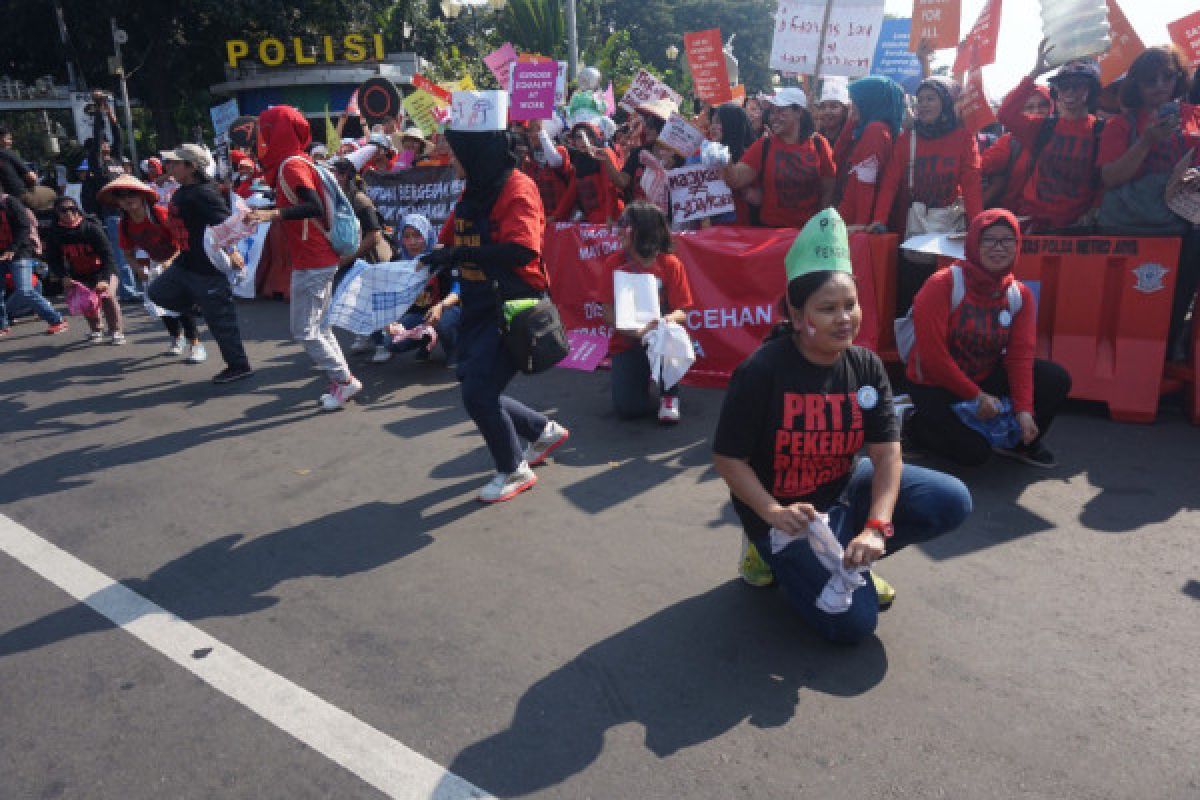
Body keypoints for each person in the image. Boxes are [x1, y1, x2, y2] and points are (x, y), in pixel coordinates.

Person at [712, 208, 971, 644]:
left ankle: (854, 560)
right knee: (854, 626)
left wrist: (876, 527)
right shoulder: (762, 371)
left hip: (844, 491)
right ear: (798, 316)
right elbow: (728, 458)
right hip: (787, 515)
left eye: (850, 305)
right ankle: (765, 552)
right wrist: (771, 513)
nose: (844, 318)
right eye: (827, 309)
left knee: (951, 499)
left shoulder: (866, 366)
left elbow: (886, 452)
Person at [424, 126, 569, 504]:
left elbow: (522, 251)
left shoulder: (517, 188)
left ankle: (513, 467)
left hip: (511, 304)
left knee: (478, 393)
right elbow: (450, 236)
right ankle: (542, 430)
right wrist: (429, 260)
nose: (451, 159)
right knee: (475, 385)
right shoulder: (475, 189)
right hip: (476, 303)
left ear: (476, 155)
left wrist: (457, 255)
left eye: (456, 153)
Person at [904, 209, 1072, 467]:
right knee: (975, 453)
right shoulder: (942, 284)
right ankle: (914, 428)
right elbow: (932, 358)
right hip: (934, 385)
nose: (998, 248)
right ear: (972, 243)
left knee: (1055, 378)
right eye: (989, 240)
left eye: (1007, 240)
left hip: (982, 377)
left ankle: (1021, 443)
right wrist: (976, 396)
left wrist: (1024, 411)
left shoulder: (1019, 295)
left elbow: (1020, 357)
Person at [248, 105, 362, 410]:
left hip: (313, 259)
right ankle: (342, 380)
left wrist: (272, 213)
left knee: (305, 330)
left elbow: (313, 207)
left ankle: (344, 380)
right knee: (320, 327)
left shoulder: (291, 166)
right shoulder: (298, 162)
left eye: (266, 130)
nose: (261, 137)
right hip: (315, 257)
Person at [1097, 45, 1200, 358]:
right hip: (1133, 224)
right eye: (1149, 79)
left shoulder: (1194, 118)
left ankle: (1173, 341)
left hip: (1181, 225)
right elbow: (1110, 178)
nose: (1160, 85)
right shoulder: (1121, 125)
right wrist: (1146, 141)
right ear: (1137, 86)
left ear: (1179, 79)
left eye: (1167, 77)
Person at [870, 76, 983, 314]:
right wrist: (879, 220)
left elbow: (971, 186)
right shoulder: (906, 140)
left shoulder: (964, 139)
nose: (923, 105)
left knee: (945, 293)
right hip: (916, 228)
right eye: (919, 100)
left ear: (946, 103)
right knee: (912, 292)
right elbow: (890, 183)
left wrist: (978, 227)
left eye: (930, 99)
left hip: (949, 229)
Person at [148, 144, 253, 384]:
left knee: (221, 323)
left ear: (191, 166)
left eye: (175, 163)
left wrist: (232, 251)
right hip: (185, 262)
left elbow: (227, 225)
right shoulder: (182, 190)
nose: (169, 167)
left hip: (208, 268)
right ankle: (198, 304)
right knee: (157, 292)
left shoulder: (205, 193)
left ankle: (239, 366)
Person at [600, 202, 694, 423]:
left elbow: (683, 311)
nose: (619, 229)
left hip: (659, 338)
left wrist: (664, 322)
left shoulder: (670, 264)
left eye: (625, 224)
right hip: (627, 341)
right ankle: (647, 384)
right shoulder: (613, 263)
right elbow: (606, 312)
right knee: (629, 409)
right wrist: (634, 332)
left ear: (644, 230)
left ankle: (669, 394)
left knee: (670, 335)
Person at [997, 46, 1105, 232]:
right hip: (1034, 222)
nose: (1070, 92)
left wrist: (1094, 210)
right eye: (1064, 86)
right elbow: (1006, 114)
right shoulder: (1043, 127)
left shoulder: (1100, 130)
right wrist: (1035, 72)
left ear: (1090, 91)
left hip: (1077, 226)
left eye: (1077, 86)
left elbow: (1104, 179)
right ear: (1057, 92)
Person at [100, 174, 205, 362]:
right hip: (154, 264)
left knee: (181, 305)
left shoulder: (160, 214)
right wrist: (138, 269)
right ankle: (176, 338)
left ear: (142, 197)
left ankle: (195, 343)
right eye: (121, 197)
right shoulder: (124, 224)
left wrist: (171, 261)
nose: (127, 200)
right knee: (160, 304)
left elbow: (183, 241)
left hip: (179, 260)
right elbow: (128, 254)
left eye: (131, 194)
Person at [722, 88, 836, 230]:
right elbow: (736, 179)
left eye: (781, 111)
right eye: (773, 111)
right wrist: (722, 159)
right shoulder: (764, 145)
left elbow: (828, 191)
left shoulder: (820, 145)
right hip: (771, 234)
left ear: (798, 112)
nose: (774, 117)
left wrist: (821, 227)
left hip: (808, 236)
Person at [374, 214, 461, 366]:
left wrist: (440, 307)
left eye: (417, 235)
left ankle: (455, 350)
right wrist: (389, 321)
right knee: (390, 341)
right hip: (419, 314)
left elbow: (458, 289)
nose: (412, 242)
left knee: (445, 322)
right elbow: (386, 296)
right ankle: (426, 343)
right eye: (407, 236)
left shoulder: (443, 257)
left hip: (448, 309)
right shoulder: (398, 262)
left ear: (427, 234)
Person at [80, 92, 142, 302]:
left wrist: (112, 117)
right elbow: (97, 138)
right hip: (112, 214)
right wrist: (99, 115)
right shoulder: (98, 164)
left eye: (107, 143)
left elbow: (119, 139)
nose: (106, 145)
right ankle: (127, 291)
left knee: (135, 251)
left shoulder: (115, 159)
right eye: (103, 144)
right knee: (121, 253)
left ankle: (137, 283)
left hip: (129, 212)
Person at [45, 196, 124, 343]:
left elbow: (108, 255)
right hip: (79, 272)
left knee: (107, 296)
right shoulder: (55, 233)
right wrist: (63, 276)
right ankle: (96, 329)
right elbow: (53, 259)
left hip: (103, 269)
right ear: (57, 213)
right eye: (63, 210)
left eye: (72, 209)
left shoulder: (91, 228)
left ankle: (116, 331)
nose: (69, 213)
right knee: (85, 301)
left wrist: (105, 279)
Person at [834, 76, 906, 229]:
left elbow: (866, 183)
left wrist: (860, 224)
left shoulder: (876, 130)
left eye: (856, 100)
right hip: (855, 217)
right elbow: (837, 156)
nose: (852, 106)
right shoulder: (871, 128)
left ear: (870, 101)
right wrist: (851, 121)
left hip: (857, 221)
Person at [0, 191, 68, 337]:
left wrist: (12, 249)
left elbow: (24, 227)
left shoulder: (10, 202)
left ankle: (57, 320)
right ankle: (2, 325)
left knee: (25, 289)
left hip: (19, 252)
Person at [981, 86, 1053, 211]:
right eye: (1029, 107)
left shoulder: (1063, 136)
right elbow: (978, 168)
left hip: (1055, 220)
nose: (1036, 111)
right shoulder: (1009, 142)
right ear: (1019, 112)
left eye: (1042, 105)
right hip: (1018, 219)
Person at [552, 121, 623, 224]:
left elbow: (610, 188)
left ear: (596, 138)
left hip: (612, 218)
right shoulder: (579, 160)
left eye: (588, 136)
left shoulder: (604, 153)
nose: (583, 141)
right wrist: (555, 216)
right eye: (578, 137)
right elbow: (571, 193)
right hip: (593, 219)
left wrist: (610, 217)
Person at [704, 103, 757, 224]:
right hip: (711, 225)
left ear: (732, 124)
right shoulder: (704, 151)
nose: (713, 127)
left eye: (718, 122)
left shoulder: (750, 156)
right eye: (712, 122)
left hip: (740, 225)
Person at [516, 119, 573, 219]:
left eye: (533, 130)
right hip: (540, 218)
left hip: (561, 218)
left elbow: (555, 162)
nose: (530, 135)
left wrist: (542, 133)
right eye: (528, 131)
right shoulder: (528, 159)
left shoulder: (560, 151)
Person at [814, 78, 851, 148]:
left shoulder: (851, 141)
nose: (827, 112)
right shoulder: (813, 141)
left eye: (833, 107)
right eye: (823, 107)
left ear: (845, 111)